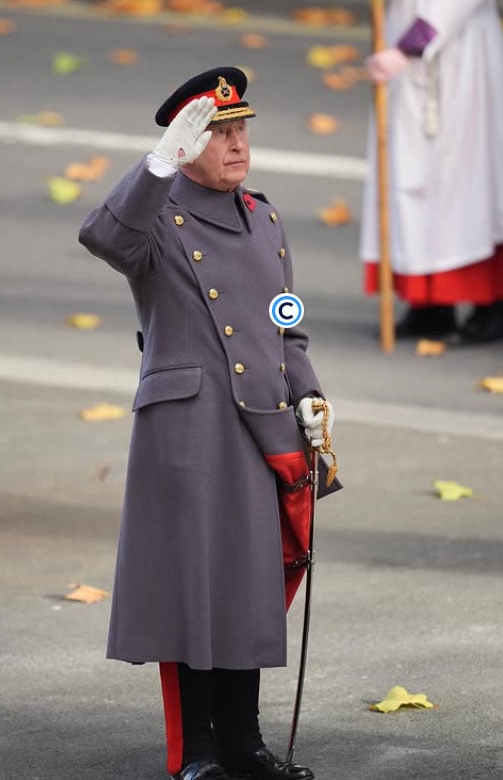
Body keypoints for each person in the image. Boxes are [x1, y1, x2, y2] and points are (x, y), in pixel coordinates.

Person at [78, 67, 339, 780]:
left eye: (240, 129)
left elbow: (287, 327)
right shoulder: (155, 217)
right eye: (218, 133)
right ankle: (198, 753)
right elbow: (102, 237)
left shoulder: (265, 217)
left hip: (262, 427)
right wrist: (156, 164)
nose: (235, 143)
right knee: (195, 589)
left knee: (247, 589)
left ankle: (245, 746)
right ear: (187, 144)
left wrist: (309, 395)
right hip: (190, 428)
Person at [359, 0, 503, 342]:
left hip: (457, 48)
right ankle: (430, 304)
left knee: (466, 176)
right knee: (409, 173)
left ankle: (490, 305)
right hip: (405, 28)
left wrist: (410, 45)